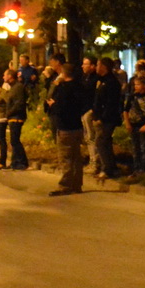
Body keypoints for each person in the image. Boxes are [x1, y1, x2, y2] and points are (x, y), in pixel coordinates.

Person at [46, 62, 88, 196]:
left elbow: (61, 108)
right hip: (77, 125)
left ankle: (65, 184)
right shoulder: (80, 87)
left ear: (63, 73)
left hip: (65, 126)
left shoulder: (64, 89)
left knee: (66, 157)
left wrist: (53, 104)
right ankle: (77, 183)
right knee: (76, 156)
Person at [88, 58, 123, 178]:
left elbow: (111, 103)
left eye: (98, 64)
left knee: (101, 142)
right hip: (100, 117)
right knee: (105, 142)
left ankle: (107, 169)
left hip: (107, 119)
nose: (96, 67)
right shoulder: (101, 80)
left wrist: (101, 118)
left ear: (104, 67)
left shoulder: (111, 82)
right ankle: (111, 167)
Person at [3, 68, 29, 170]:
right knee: (13, 141)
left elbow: (19, 103)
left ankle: (22, 162)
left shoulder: (18, 87)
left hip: (16, 117)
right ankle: (15, 162)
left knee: (15, 140)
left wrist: (9, 113)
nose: (3, 77)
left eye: (5, 75)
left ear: (10, 76)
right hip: (13, 117)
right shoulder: (13, 87)